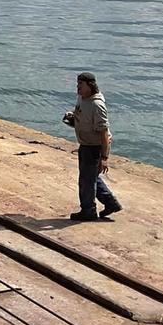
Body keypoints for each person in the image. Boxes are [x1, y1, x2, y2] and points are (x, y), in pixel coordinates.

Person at [63, 72, 122, 221]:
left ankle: (88, 210)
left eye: (81, 85)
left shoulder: (97, 105)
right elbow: (82, 115)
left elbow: (103, 133)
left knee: (86, 181)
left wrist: (104, 158)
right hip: (85, 144)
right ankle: (111, 203)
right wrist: (73, 118)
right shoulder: (82, 98)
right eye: (77, 84)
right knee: (90, 178)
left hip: (94, 147)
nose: (78, 88)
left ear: (90, 85)